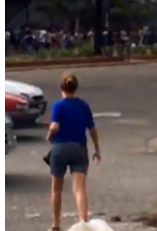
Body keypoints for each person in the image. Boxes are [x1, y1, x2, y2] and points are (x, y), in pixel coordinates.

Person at [46, 73, 100, 231]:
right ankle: (83, 222)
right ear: (75, 88)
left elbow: (54, 126)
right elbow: (92, 129)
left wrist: (50, 136)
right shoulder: (83, 105)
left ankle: (56, 225)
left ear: (61, 88)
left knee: (57, 188)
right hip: (79, 148)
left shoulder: (59, 105)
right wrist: (97, 149)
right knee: (79, 188)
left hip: (60, 148)